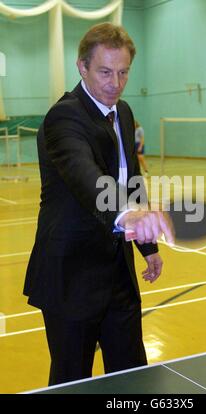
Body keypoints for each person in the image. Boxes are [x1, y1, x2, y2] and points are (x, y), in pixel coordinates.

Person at [23, 22, 174, 386]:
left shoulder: (122, 112)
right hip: (71, 273)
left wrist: (146, 244)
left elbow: (131, 179)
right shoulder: (64, 116)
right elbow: (85, 176)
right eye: (105, 72)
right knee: (72, 379)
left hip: (117, 273)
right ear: (82, 67)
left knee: (131, 374)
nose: (115, 83)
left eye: (123, 73)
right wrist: (127, 215)